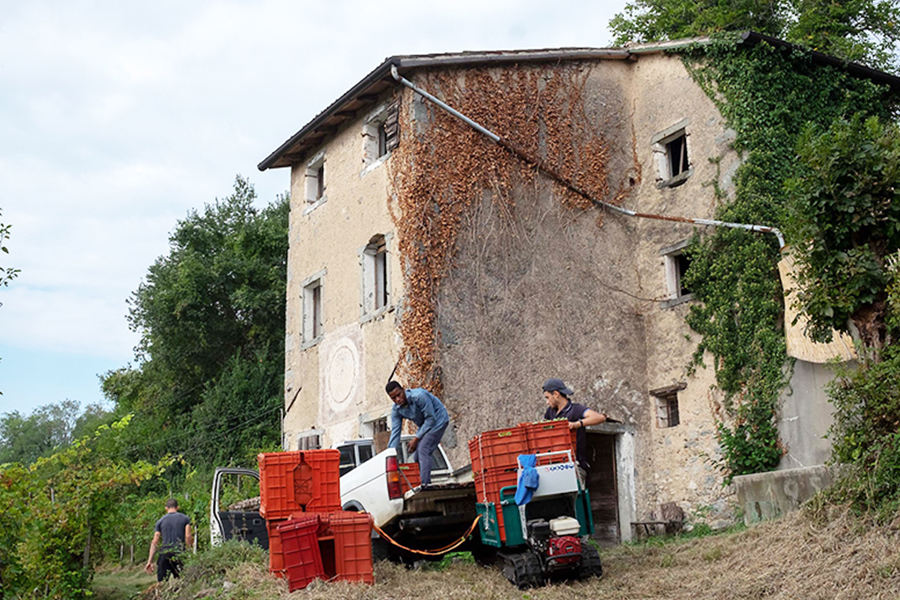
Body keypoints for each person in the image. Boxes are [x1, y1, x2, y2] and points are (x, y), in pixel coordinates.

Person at [542, 377, 607, 481]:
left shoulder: (575, 409)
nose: (547, 402)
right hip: (555, 466)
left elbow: (600, 417)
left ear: (556, 394)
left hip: (575, 466)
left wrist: (577, 424)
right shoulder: (550, 412)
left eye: (547, 397)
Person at [386, 381, 450, 486]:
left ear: (403, 390)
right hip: (426, 425)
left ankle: (425, 485)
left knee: (423, 449)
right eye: (393, 398)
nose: (398, 399)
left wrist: (416, 438)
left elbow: (431, 419)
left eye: (399, 394)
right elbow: (395, 432)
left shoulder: (419, 396)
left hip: (438, 420)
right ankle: (419, 481)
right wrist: (390, 454)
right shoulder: (396, 410)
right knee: (416, 458)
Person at [144, 498, 192, 582]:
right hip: (179, 552)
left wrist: (149, 561)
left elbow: (155, 541)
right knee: (183, 580)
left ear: (166, 508)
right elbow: (188, 536)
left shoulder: (160, 521)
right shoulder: (185, 519)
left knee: (161, 583)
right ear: (178, 507)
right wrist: (189, 550)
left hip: (164, 553)